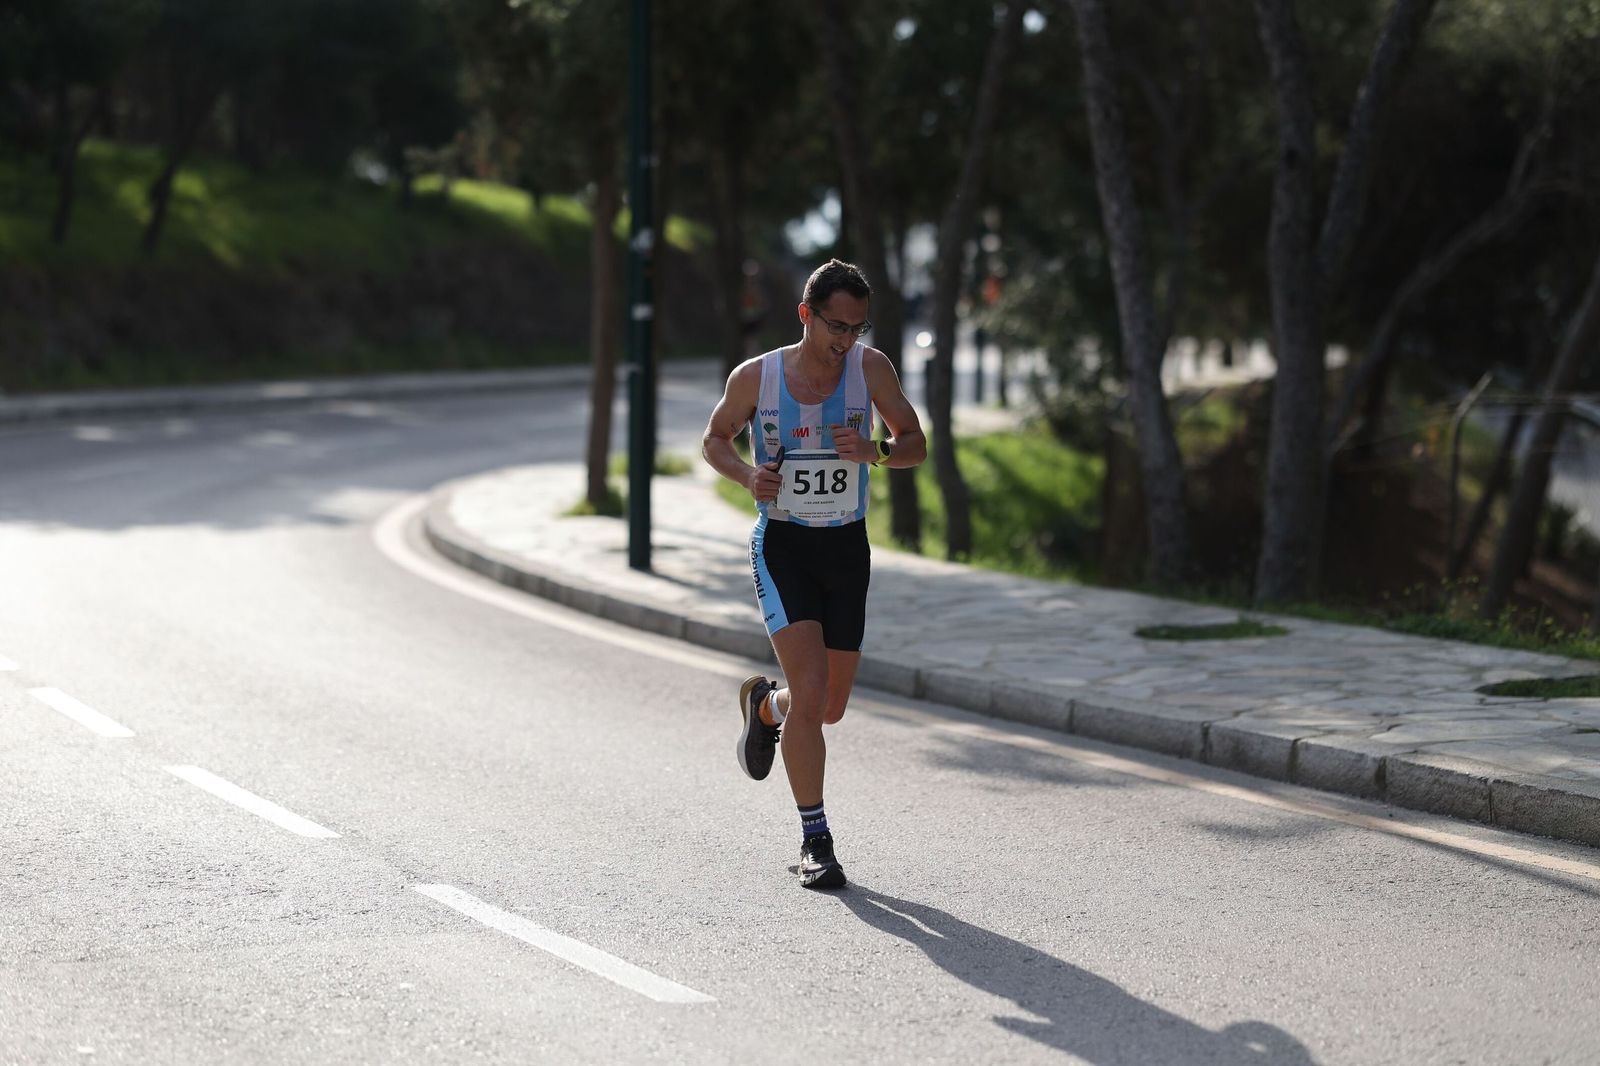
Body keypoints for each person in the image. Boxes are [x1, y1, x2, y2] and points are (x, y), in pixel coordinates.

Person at [701, 259, 927, 889]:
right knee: (812, 680)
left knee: (825, 707)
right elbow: (715, 438)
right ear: (806, 315)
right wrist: (748, 476)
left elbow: (915, 441)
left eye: (857, 327)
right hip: (785, 546)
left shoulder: (871, 369)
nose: (846, 339)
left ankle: (765, 708)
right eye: (836, 325)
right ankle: (816, 840)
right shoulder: (758, 377)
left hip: (846, 548)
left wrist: (879, 450)